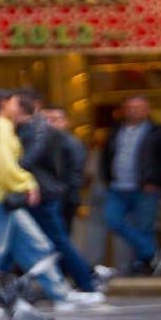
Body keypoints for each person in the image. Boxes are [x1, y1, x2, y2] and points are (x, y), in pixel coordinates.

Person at [0, 89, 70, 316]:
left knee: (36, 245)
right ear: (3, 103)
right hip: (0, 199)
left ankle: (61, 294)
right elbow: (5, 163)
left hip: (2, 199)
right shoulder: (0, 125)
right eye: (14, 102)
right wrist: (26, 184)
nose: (17, 107)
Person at [19, 98, 104, 304]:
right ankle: (75, 281)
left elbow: (74, 175)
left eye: (56, 119)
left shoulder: (65, 141)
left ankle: (84, 279)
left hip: (57, 197)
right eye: (47, 119)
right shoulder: (48, 138)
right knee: (51, 242)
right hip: (53, 195)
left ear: (66, 122)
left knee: (58, 241)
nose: (50, 123)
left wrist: (69, 198)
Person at [98, 93, 161, 276]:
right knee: (112, 220)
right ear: (124, 110)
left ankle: (143, 265)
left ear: (148, 110)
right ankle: (150, 252)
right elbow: (107, 156)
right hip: (117, 187)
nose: (135, 111)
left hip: (145, 188)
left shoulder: (158, 133)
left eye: (139, 107)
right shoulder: (115, 130)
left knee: (145, 226)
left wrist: (154, 181)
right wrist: (107, 179)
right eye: (131, 108)